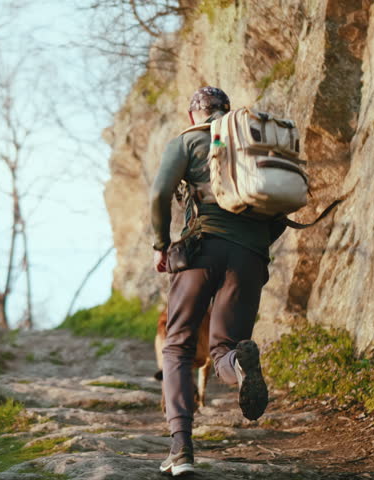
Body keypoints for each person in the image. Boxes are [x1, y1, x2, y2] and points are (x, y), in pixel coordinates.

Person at [150, 86, 286, 476]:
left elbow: (159, 193)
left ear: (195, 114)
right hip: (248, 258)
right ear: (227, 112)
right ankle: (238, 367)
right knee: (224, 347)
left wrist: (161, 244)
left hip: (200, 252)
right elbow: (277, 210)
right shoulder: (254, 143)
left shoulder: (189, 141)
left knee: (177, 347)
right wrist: (253, 246)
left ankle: (181, 449)